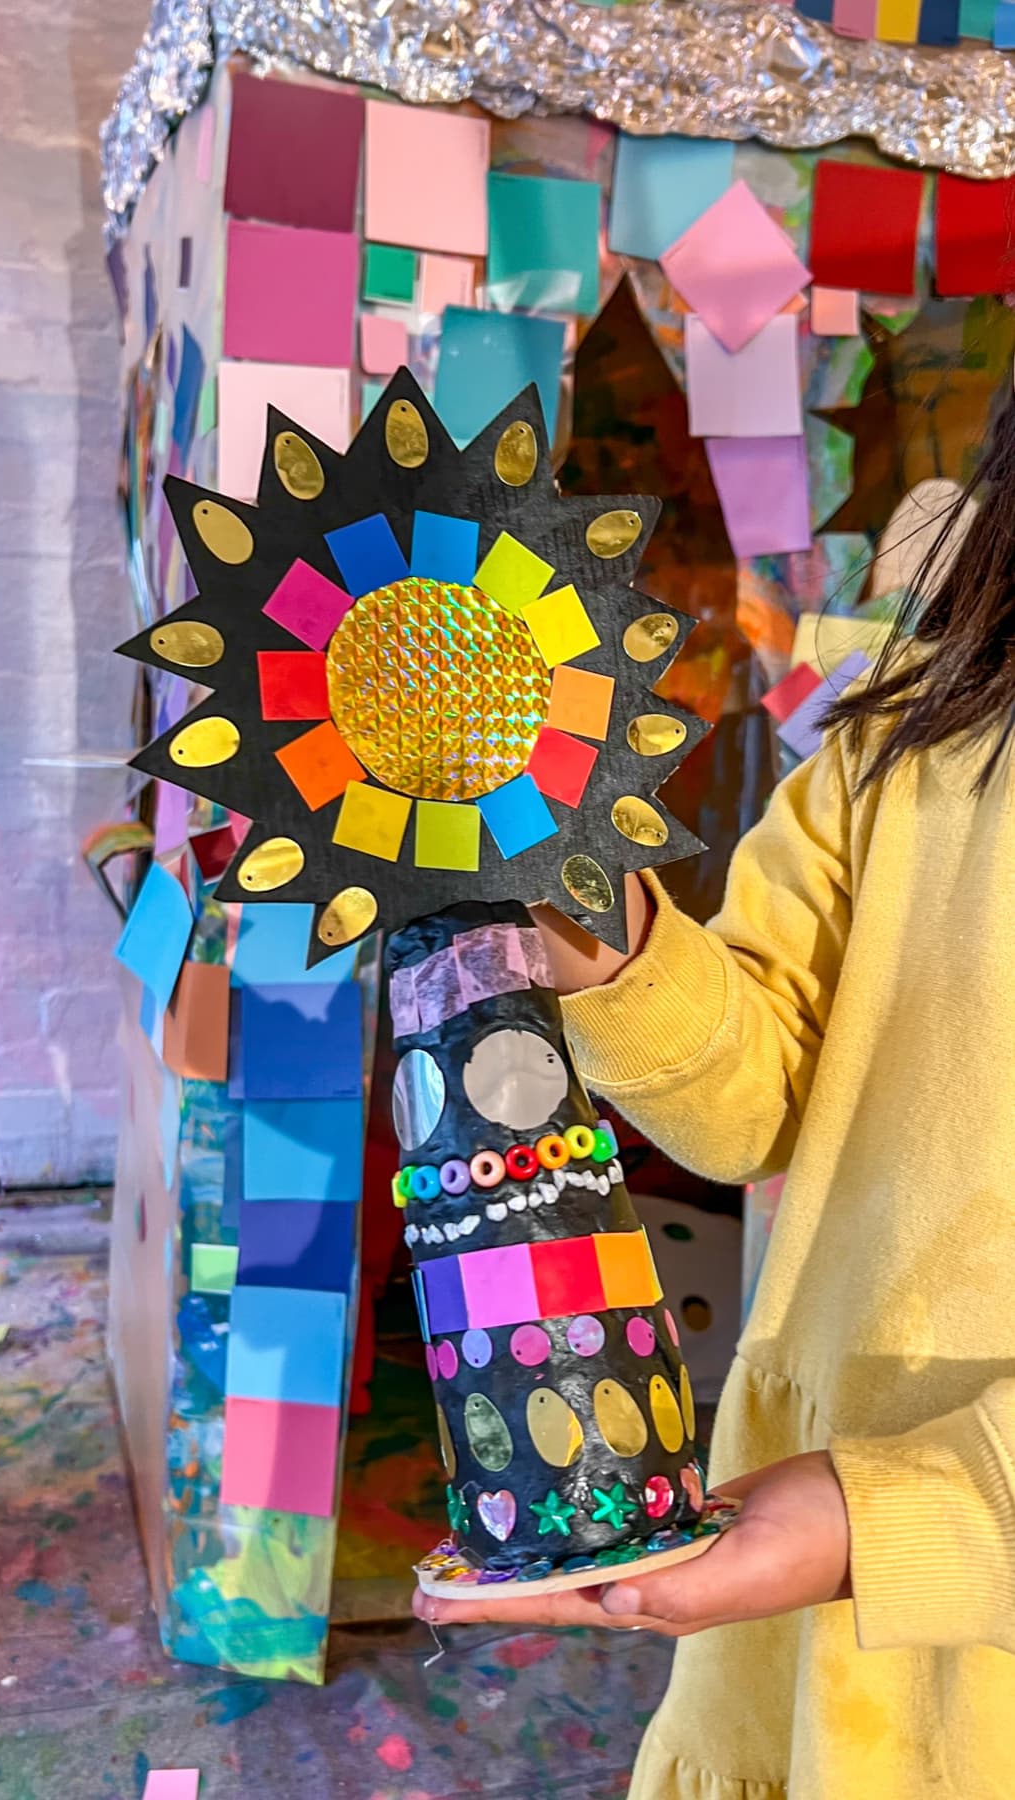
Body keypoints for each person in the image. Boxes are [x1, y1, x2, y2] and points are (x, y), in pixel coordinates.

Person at [413, 399, 1015, 1799]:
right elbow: (752, 1099)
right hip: (815, 1589)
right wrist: (606, 929)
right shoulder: (916, 733)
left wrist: (894, 1511)